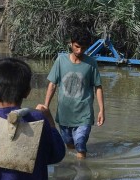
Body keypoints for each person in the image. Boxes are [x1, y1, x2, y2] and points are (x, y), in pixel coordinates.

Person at [44, 29, 105, 159]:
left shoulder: (91, 63)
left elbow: (98, 87)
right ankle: (71, 170)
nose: (79, 51)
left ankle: (82, 175)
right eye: (77, 47)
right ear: (71, 44)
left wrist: (101, 110)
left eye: (83, 48)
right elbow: (52, 84)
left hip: (84, 114)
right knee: (69, 144)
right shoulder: (61, 61)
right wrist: (46, 106)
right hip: (65, 114)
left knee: (81, 145)